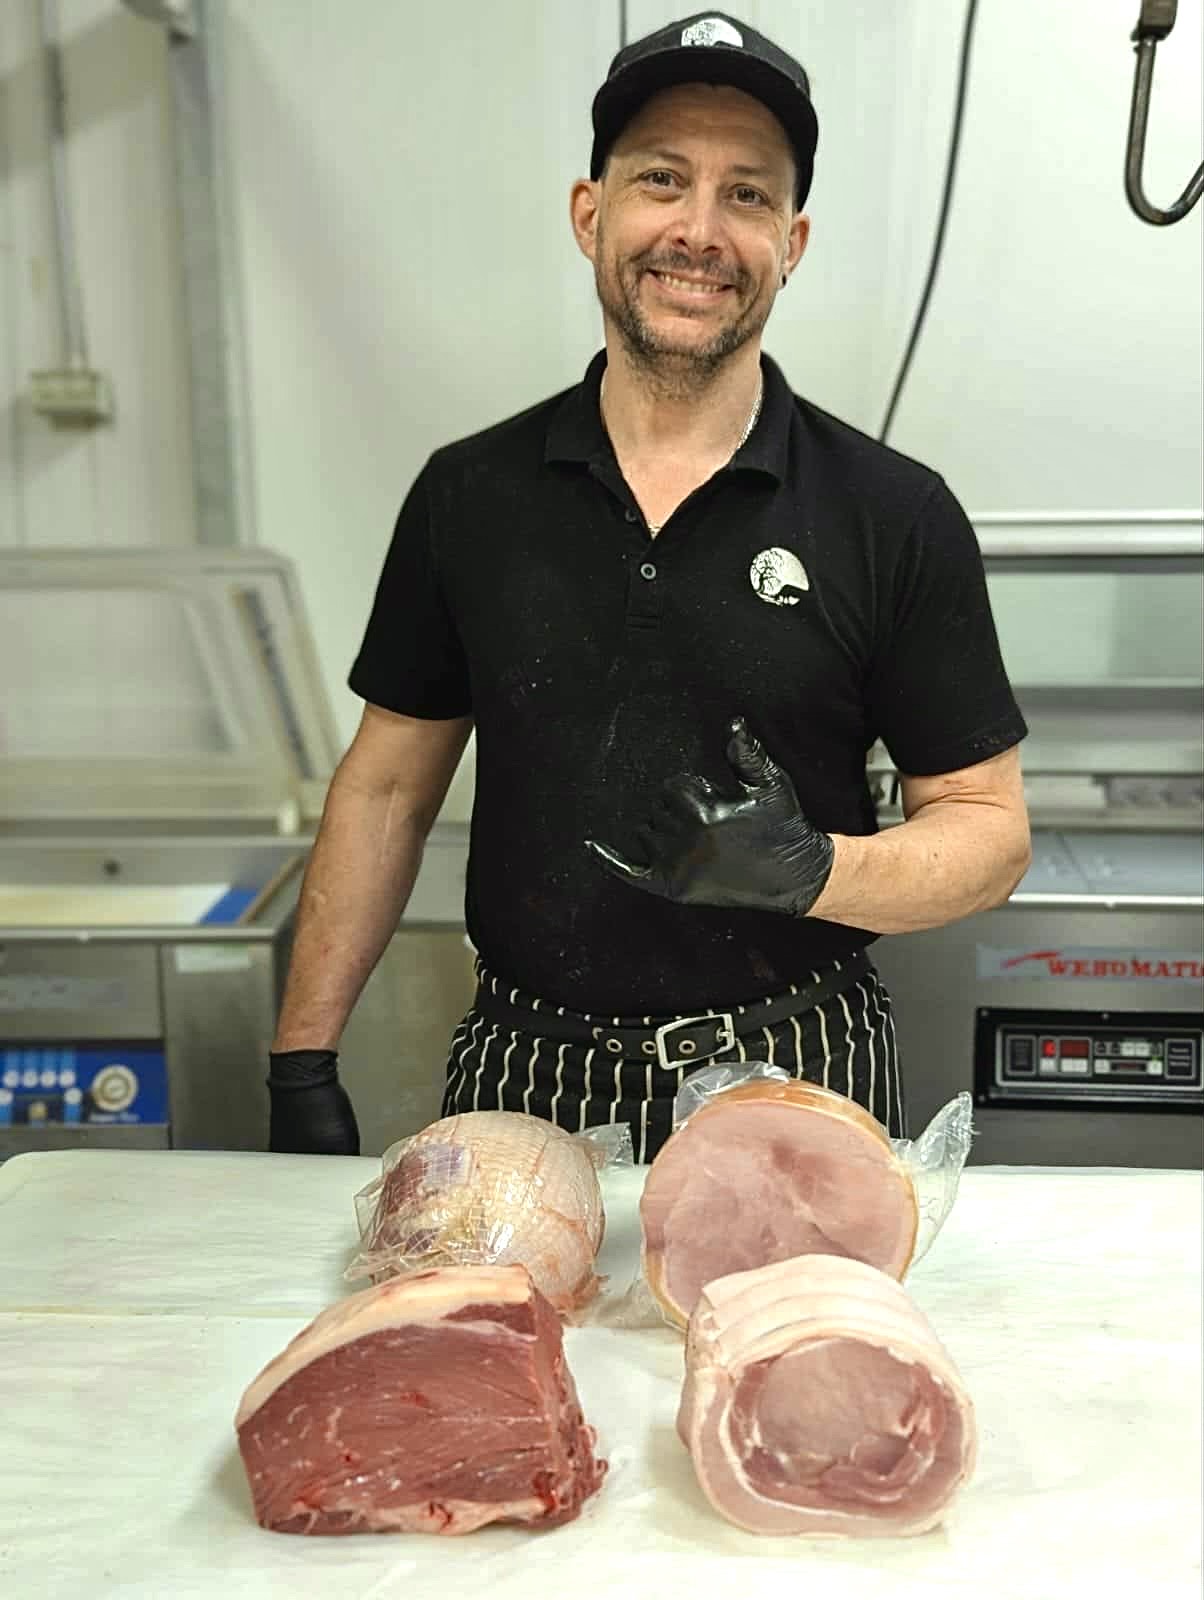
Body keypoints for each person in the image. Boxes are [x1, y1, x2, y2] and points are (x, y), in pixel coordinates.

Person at [266, 10, 1032, 1164]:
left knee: (792, 1351)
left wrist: (821, 870)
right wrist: (302, 1060)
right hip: (524, 1064)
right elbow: (385, 793)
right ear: (592, 213)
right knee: (490, 1347)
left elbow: (988, 831)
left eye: (748, 195)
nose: (699, 230)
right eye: (662, 180)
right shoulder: (468, 495)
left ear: (794, 239)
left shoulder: (891, 512)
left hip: (797, 1058)